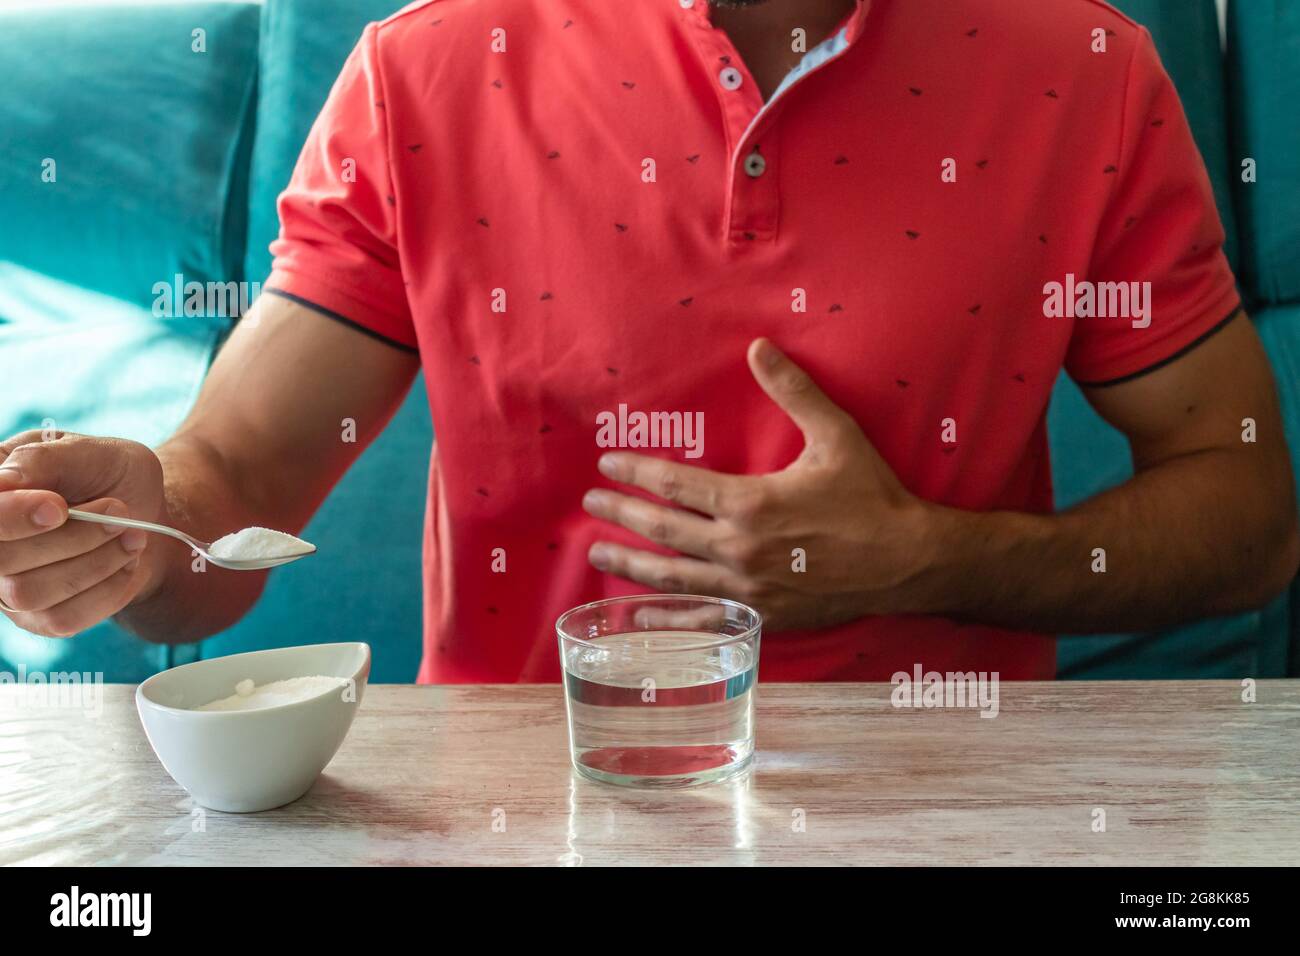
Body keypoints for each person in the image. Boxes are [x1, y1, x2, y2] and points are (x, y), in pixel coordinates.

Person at [0, 0, 1295, 682]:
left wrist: (935, 561)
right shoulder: (423, 73)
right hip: (531, 818)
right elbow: (229, 498)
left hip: (948, 806)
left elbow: (1250, 520)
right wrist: (139, 530)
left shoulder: (1089, 72)